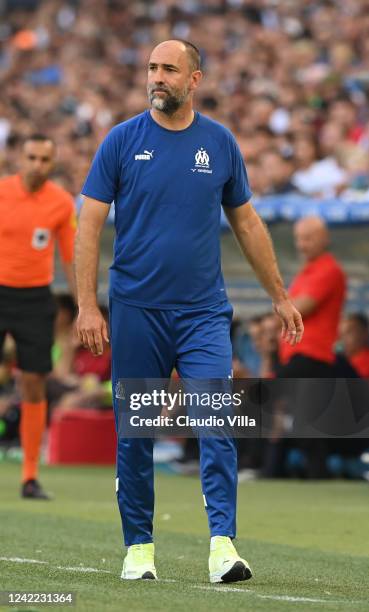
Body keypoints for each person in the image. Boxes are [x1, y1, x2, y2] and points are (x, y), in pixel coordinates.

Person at [75, 39, 303, 584]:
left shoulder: (220, 144)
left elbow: (247, 223)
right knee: (136, 431)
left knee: (215, 421)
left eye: (169, 69)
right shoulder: (121, 141)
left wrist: (279, 293)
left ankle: (223, 547)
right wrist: (87, 304)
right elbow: (88, 225)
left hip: (203, 313)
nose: (157, 77)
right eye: (152, 67)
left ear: (194, 80)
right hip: (136, 310)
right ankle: (139, 549)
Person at [0, 133, 76, 499]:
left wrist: (85, 307)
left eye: (45, 160)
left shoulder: (61, 204)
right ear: (20, 157)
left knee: (33, 383)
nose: (37, 166)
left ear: (53, 162)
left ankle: (29, 475)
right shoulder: (2, 192)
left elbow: (71, 258)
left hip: (34, 298)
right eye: (31, 158)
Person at [277, 216, 346, 477]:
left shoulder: (329, 270)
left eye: (308, 238)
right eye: (299, 238)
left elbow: (297, 308)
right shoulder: (306, 271)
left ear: (324, 238)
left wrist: (282, 307)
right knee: (306, 424)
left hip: (312, 355)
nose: (302, 244)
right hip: (297, 354)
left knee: (264, 397)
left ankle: (264, 465)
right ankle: (314, 474)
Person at [339, 313, 369, 378]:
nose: (343, 338)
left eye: (349, 332)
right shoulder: (337, 361)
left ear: (365, 333)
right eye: (341, 334)